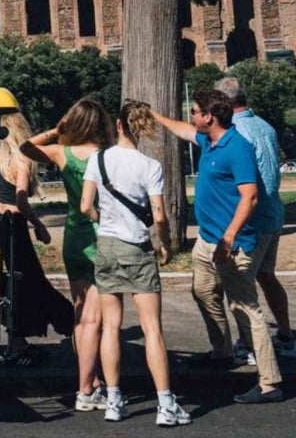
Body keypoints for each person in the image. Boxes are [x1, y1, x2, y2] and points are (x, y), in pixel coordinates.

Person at [154, 88, 285, 404]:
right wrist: (153, 116)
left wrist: (229, 238)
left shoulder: (236, 146)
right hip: (207, 240)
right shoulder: (209, 141)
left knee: (245, 309)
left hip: (232, 243)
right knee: (203, 291)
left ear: (209, 116)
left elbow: (250, 196)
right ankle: (222, 351)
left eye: (196, 111)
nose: (192, 117)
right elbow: (184, 131)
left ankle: (270, 383)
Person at [79, 100, 190, 426]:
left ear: (118, 124)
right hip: (138, 248)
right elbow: (158, 214)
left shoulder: (97, 160)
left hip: (108, 247)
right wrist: (166, 243)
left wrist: (104, 221)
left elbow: (86, 204)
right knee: (152, 328)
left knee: (110, 327)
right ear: (140, 127)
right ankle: (166, 405)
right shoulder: (149, 165)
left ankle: (114, 400)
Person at [23, 97, 112, 411]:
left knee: (81, 316)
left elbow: (25, 147)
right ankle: (86, 388)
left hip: (74, 236)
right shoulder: (107, 156)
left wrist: (55, 130)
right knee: (94, 319)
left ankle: (93, 380)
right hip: (100, 235)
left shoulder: (62, 153)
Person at [215, 76, 296, 363]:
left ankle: (249, 346)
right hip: (273, 213)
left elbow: (244, 187)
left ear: (223, 103)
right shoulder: (265, 126)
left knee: (241, 286)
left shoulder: (234, 134)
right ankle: (286, 336)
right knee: (266, 276)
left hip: (251, 219)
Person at [0, 111, 73, 365]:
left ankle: (18, 338)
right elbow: (22, 199)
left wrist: (4, 194)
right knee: (30, 277)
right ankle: (65, 319)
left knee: (18, 277)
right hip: (14, 224)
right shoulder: (23, 161)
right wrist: (39, 225)